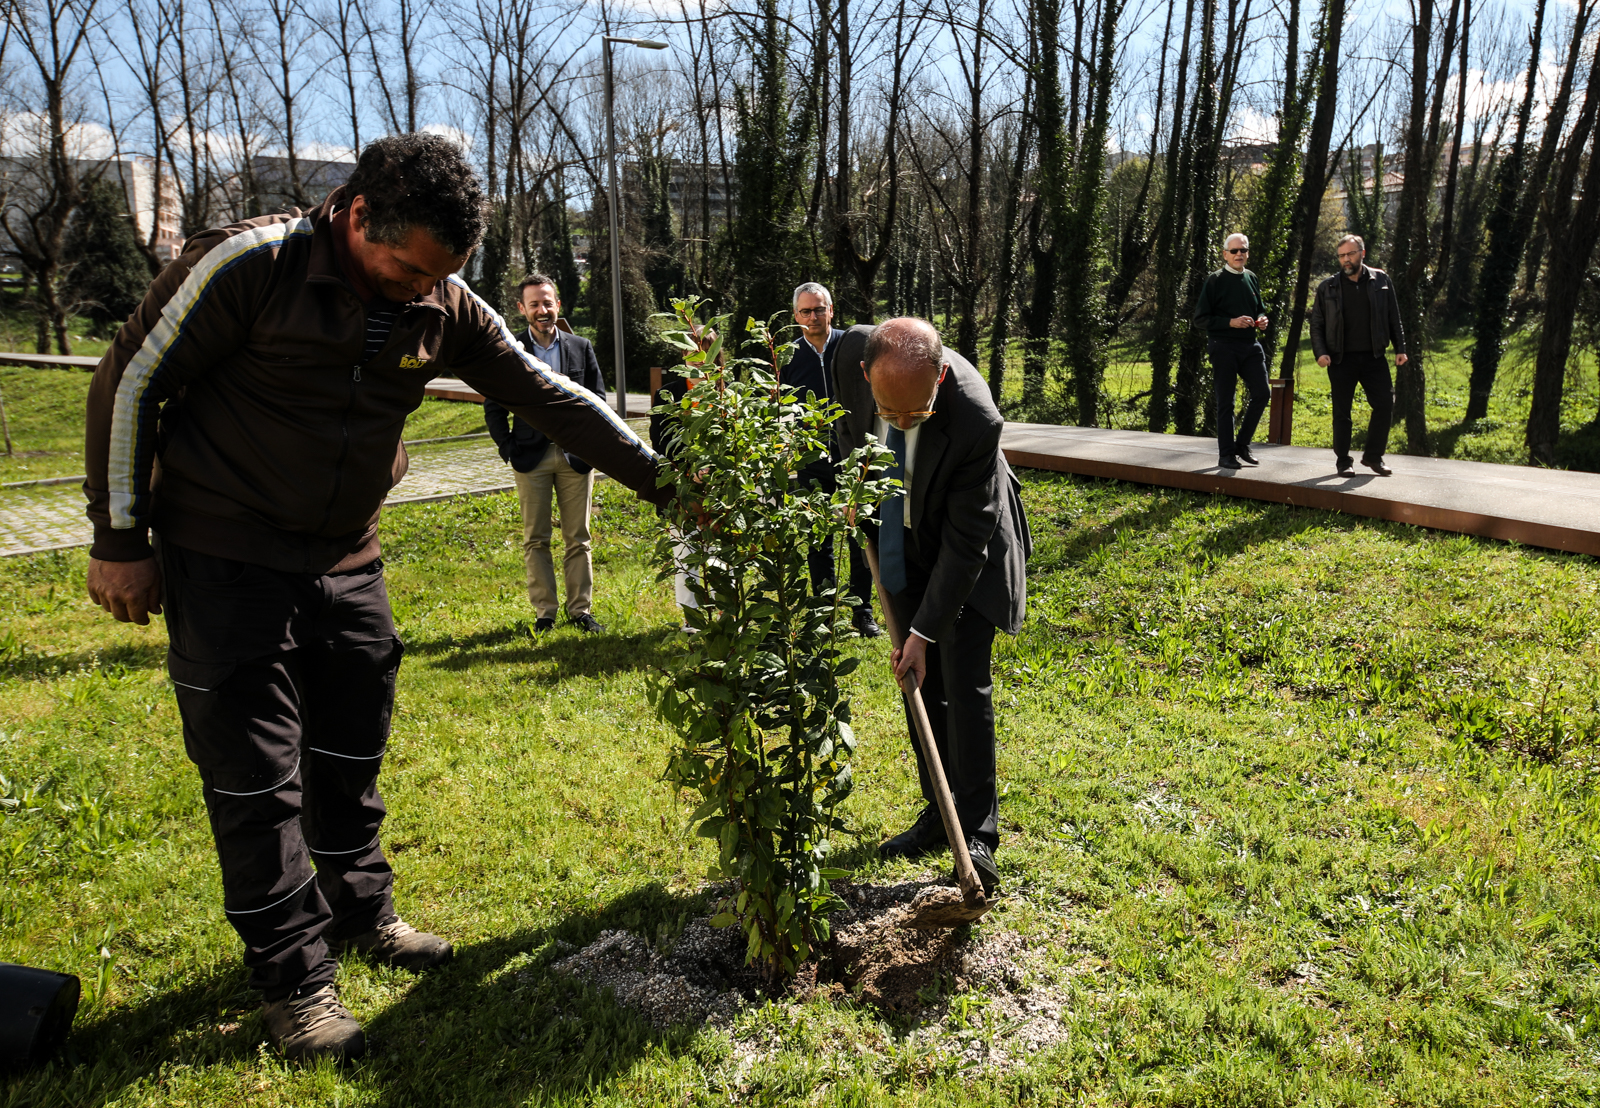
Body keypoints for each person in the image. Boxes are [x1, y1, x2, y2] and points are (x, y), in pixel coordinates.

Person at [81, 133, 669, 1063]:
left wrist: (671, 485)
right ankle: (295, 982)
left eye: (436, 275)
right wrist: (119, 539)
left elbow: (552, 396)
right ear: (357, 215)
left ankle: (361, 912)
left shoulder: (441, 300)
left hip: (346, 557)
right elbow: (132, 377)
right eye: (403, 268)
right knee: (256, 778)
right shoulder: (249, 266)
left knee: (353, 741)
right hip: (226, 553)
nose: (415, 290)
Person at [833, 318, 1031, 896]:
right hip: (900, 539)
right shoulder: (849, 359)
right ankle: (938, 811)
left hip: (965, 550)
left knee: (962, 682)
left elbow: (968, 543)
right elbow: (844, 435)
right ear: (867, 374)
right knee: (918, 681)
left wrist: (924, 629)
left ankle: (977, 834)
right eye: (887, 411)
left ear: (940, 378)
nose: (897, 424)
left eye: (913, 416)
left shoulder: (973, 417)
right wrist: (856, 488)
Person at [484, 274, 606, 634]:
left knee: (578, 538)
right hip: (529, 457)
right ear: (522, 309)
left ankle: (580, 610)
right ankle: (545, 613)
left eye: (547, 302)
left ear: (559, 305)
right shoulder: (509, 351)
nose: (542, 310)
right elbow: (493, 404)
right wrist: (507, 447)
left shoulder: (580, 347)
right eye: (534, 304)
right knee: (535, 538)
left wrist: (594, 446)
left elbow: (598, 401)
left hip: (576, 458)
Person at [787, 281, 879, 638]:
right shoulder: (789, 357)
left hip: (855, 457)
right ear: (796, 316)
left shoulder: (852, 346)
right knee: (817, 539)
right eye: (806, 311)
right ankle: (824, 612)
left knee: (860, 536)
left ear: (831, 310)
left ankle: (862, 612)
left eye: (819, 309)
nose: (814, 316)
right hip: (812, 460)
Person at [1310, 234, 1407, 476]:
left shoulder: (1381, 280)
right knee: (1342, 412)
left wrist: (1400, 347)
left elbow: (1393, 316)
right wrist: (1321, 352)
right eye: (1341, 255)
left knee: (1385, 404)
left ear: (1362, 253)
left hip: (1374, 356)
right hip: (1341, 359)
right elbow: (1317, 324)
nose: (1346, 259)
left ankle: (1374, 457)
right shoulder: (1327, 287)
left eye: (1350, 254)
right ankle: (1343, 460)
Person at [1193, 232, 1271, 470]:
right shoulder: (1215, 280)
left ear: (1248, 253)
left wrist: (1262, 319)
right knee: (1226, 401)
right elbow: (1200, 319)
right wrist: (1230, 322)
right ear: (1225, 254)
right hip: (1223, 346)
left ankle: (1242, 445)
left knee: (1262, 393)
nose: (1239, 255)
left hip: (1250, 345)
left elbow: (1260, 309)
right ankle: (1226, 454)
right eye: (1234, 251)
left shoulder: (1252, 278)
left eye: (1243, 250)